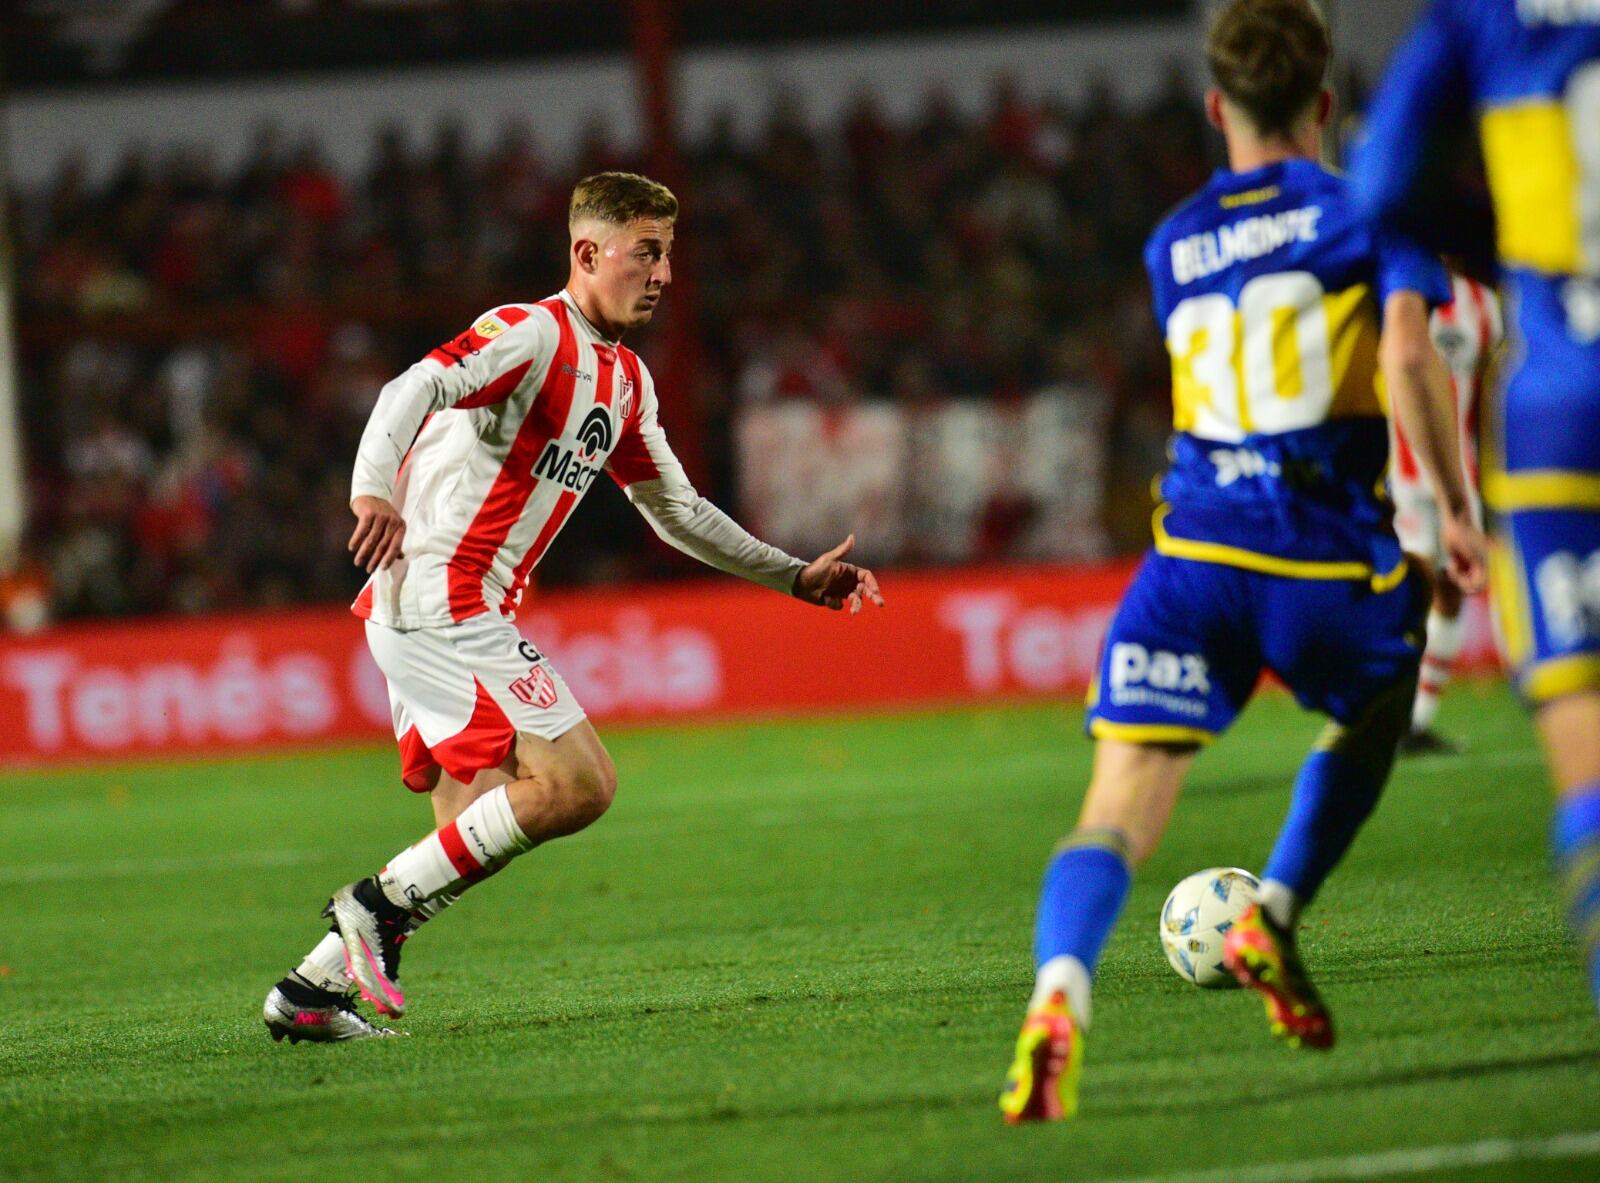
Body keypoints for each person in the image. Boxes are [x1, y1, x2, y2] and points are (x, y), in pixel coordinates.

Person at [999, 0, 1487, 1123]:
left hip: (1193, 559)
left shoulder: (1170, 240)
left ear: (1216, 108)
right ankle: (1277, 903)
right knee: (1385, 681)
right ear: (1322, 105)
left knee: (1114, 807)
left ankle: (1059, 993)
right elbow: (1410, 353)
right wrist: (1454, 505)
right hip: (1319, 559)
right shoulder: (1371, 205)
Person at [262, 171, 884, 1042]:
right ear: (588, 253)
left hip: (429, 608)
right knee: (581, 782)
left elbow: (678, 510)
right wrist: (372, 490)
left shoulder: (625, 382)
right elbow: (410, 388)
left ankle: (310, 990)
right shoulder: (529, 333)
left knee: (466, 830)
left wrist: (791, 576)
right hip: (449, 596)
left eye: (670, 253)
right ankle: (369, 912)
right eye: (648, 252)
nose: (665, 273)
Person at [1351, 0, 1600, 1018]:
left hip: (1563, 404)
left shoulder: (1482, 16)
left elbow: (1375, 186)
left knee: (1585, 746)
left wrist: (1486, 241)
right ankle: (1410, 712)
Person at [1392, 269, 1503, 753]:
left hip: (1460, 471)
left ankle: (1413, 721)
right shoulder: (1396, 287)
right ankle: (1380, 716)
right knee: (1409, 589)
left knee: (1452, 588)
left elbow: (1491, 389)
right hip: (1397, 468)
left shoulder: (1482, 303)